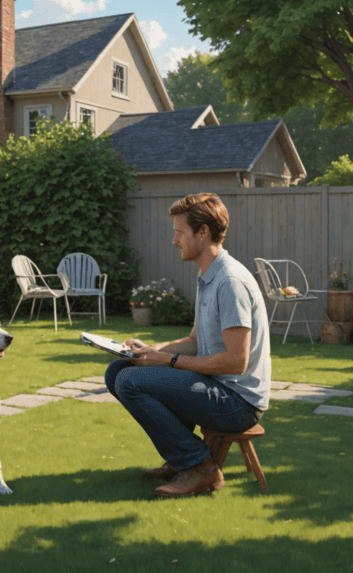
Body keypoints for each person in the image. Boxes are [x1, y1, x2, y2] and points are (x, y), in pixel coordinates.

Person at [105, 193, 271, 497]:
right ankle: (181, 458)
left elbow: (236, 362)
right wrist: (151, 351)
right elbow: (195, 341)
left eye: (180, 232)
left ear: (203, 232)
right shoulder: (209, 276)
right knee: (119, 370)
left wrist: (165, 362)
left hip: (238, 403)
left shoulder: (230, 282)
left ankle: (200, 468)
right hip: (216, 387)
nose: (174, 240)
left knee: (130, 381)